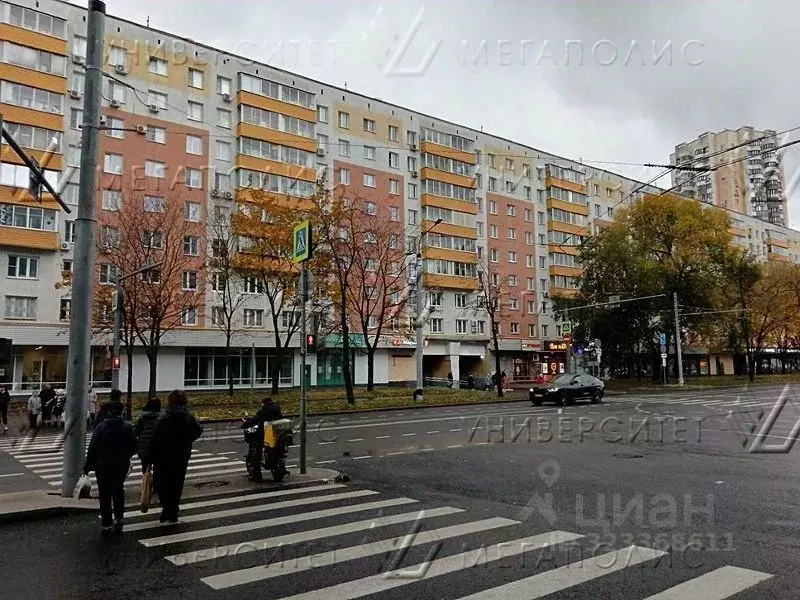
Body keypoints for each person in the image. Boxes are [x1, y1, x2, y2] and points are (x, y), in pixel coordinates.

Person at [83, 401, 137, 537]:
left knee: (104, 494)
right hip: (120, 464)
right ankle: (119, 518)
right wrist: (126, 456)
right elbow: (134, 445)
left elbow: (93, 448)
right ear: (121, 412)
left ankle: (106, 523)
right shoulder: (127, 427)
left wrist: (88, 466)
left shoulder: (101, 427)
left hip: (103, 465)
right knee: (118, 490)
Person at [148, 390, 202, 523]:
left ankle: (167, 509)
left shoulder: (164, 417)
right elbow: (198, 430)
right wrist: (187, 441)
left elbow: (155, 438)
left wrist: (151, 454)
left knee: (162, 483)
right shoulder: (188, 416)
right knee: (177, 483)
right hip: (182, 455)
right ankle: (173, 510)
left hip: (163, 455)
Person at [244, 397, 285, 482]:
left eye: (262, 404)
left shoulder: (263, 411)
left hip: (264, 436)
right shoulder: (278, 409)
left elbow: (255, 420)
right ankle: (279, 469)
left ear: (264, 403)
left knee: (256, 456)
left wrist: (245, 425)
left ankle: (257, 476)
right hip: (277, 436)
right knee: (278, 452)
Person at [135, 397, 161, 473]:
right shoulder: (163, 417)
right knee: (158, 468)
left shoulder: (142, 417)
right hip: (158, 445)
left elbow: (137, 431)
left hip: (144, 445)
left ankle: (146, 482)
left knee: (145, 467)